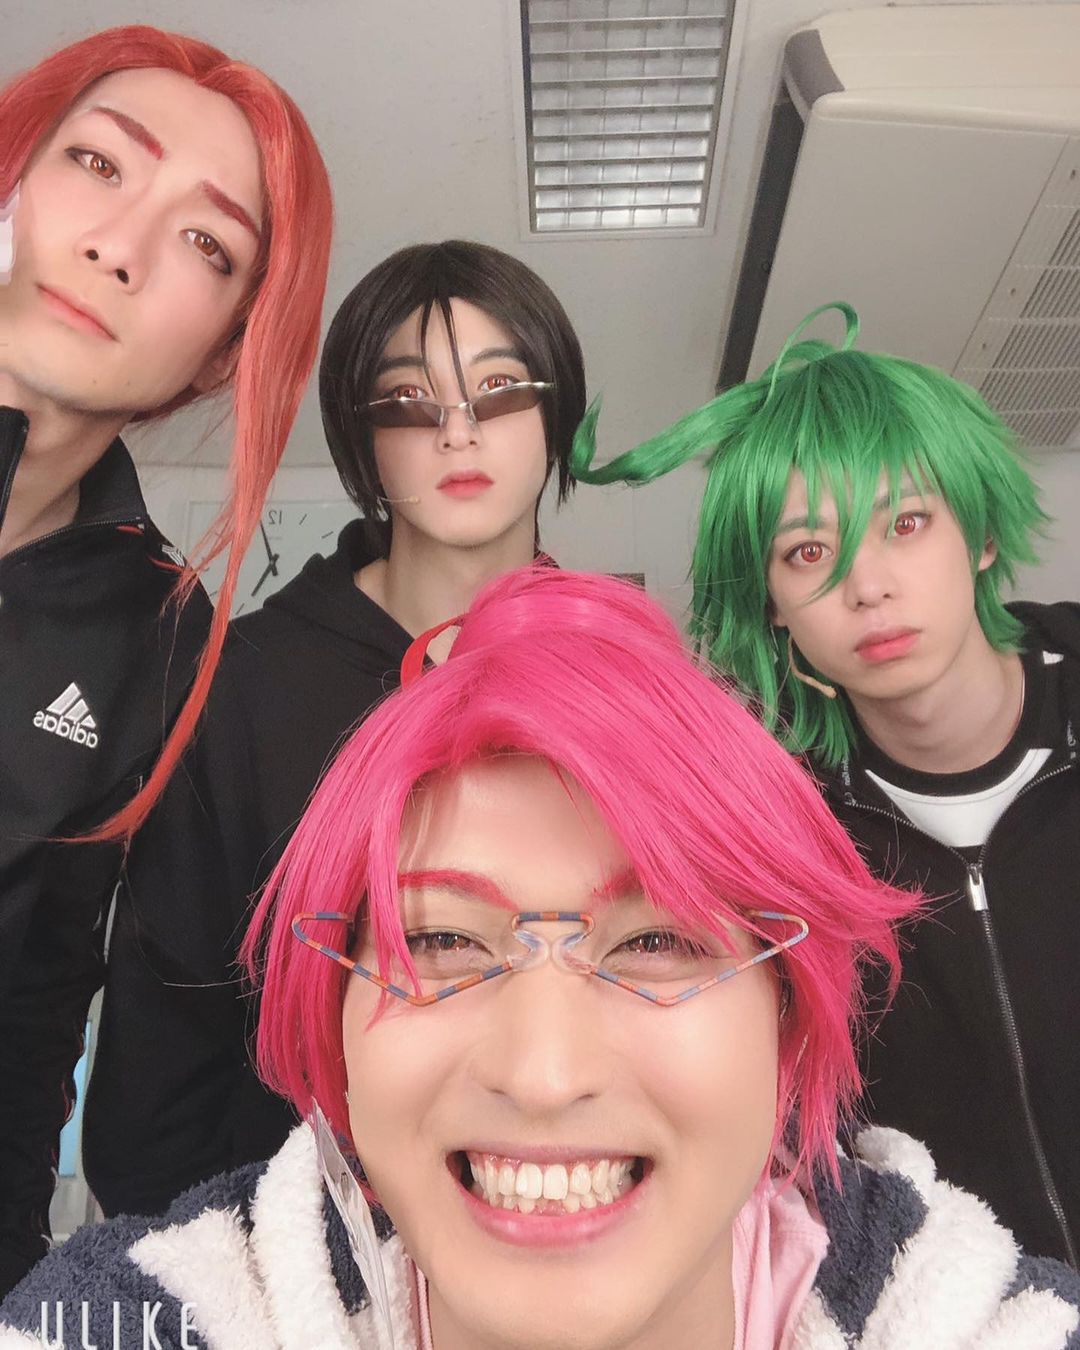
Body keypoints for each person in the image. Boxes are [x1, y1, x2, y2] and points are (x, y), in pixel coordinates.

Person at [3, 567, 1079, 1350]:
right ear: (331, 1014)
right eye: (440, 941)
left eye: (657, 941)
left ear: (787, 1014)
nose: (545, 1074)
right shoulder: (136, 1320)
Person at [83, 241, 587, 1217]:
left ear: (553, 412)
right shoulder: (240, 687)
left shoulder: (625, 686)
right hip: (291, 1254)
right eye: (409, 401)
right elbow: (161, 1058)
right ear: (362, 439)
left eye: (498, 390)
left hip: (564, 1217)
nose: (458, 433)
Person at [570, 302, 1080, 1265]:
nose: (867, 586)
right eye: (809, 552)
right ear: (772, 605)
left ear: (978, 535)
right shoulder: (776, 836)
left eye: (907, 524)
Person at [0, 25, 332, 1295]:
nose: (120, 247)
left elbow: (37, 1020)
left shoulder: (159, 634)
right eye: (96, 163)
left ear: (222, 349)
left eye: (206, 242)